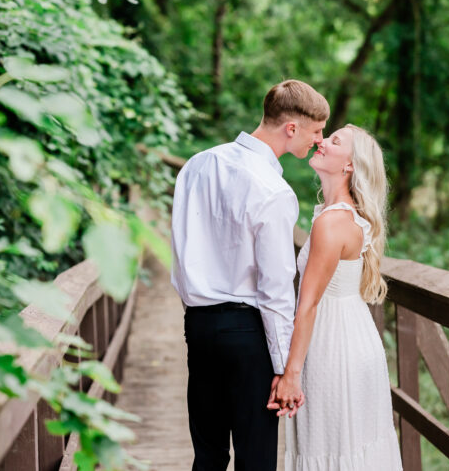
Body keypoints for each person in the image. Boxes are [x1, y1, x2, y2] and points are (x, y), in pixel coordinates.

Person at [171, 80, 329, 471]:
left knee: (207, 455)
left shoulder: (197, 164)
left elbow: (180, 246)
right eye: (316, 131)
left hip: (198, 325)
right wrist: (284, 369)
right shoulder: (273, 190)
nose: (319, 140)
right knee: (255, 458)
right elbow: (276, 289)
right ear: (291, 128)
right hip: (247, 333)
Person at [269, 124, 403, 470]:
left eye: (334, 140)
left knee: (331, 445)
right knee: (351, 447)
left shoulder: (331, 223)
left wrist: (291, 375)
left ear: (349, 166)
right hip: (354, 338)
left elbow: (309, 302)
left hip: (333, 348)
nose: (321, 141)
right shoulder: (346, 218)